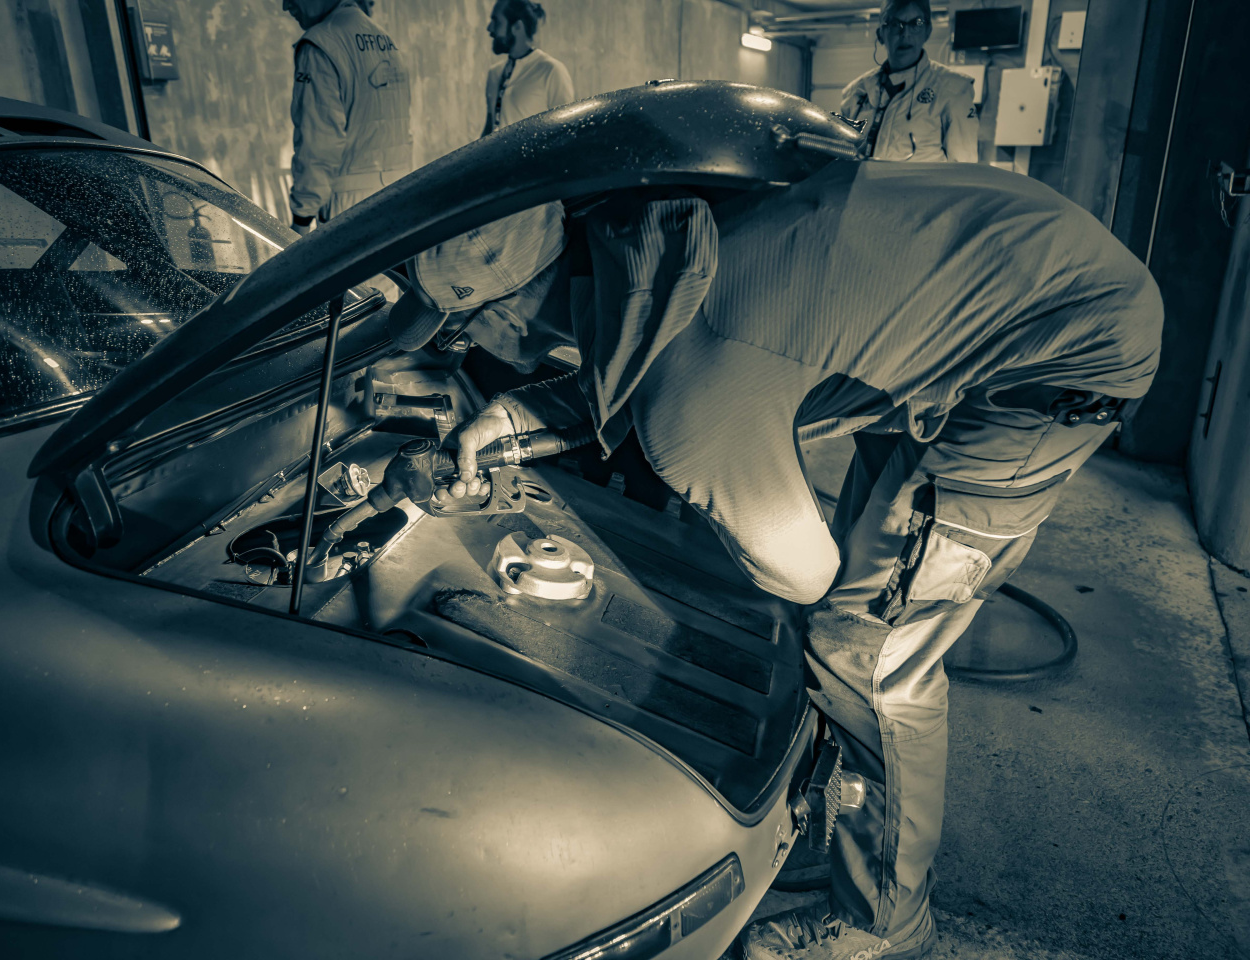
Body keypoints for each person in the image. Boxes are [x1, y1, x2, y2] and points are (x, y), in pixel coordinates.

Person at [428, 162, 1162, 959]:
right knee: (861, 597)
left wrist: (725, 539)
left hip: (1062, 351)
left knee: (868, 652)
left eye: (459, 329)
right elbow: (633, 354)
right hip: (1004, 282)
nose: (462, 345)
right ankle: (852, 818)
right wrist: (507, 421)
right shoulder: (655, 237)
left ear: (501, 316)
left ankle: (885, 922)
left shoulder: (693, 407)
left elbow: (801, 573)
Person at [283, 0, 412, 236]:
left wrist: (301, 219)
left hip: (350, 210)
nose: (285, 5)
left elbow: (318, 142)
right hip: (400, 199)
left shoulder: (320, 45)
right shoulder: (386, 41)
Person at [840, 0, 978, 162]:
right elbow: (842, 156)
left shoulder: (953, 89)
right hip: (864, 179)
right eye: (895, 24)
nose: (905, 33)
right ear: (880, 34)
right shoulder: (857, 91)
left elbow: (964, 167)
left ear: (928, 31)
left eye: (916, 23)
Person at [482, 0, 574, 137]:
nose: (490, 28)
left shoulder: (551, 71)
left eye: (497, 22)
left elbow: (566, 132)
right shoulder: (494, 73)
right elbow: (489, 129)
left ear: (517, 26)